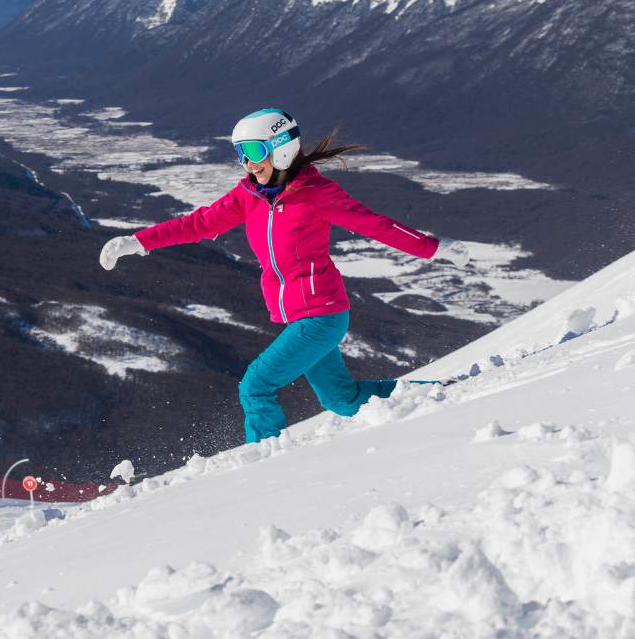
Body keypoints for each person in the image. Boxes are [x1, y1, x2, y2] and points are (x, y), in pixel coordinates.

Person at [99, 108, 469, 444]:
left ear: (281, 149)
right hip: (300, 316)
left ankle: (260, 462)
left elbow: (376, 225)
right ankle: (438, 392)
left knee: (256, 386)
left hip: (321, 315)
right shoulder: (250, 196)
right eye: (240, 153)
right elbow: (199, 223)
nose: (247, 163)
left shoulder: (316, 194)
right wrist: (137, 241)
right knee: (343, 399)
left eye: (255, 152)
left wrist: (434, 248)